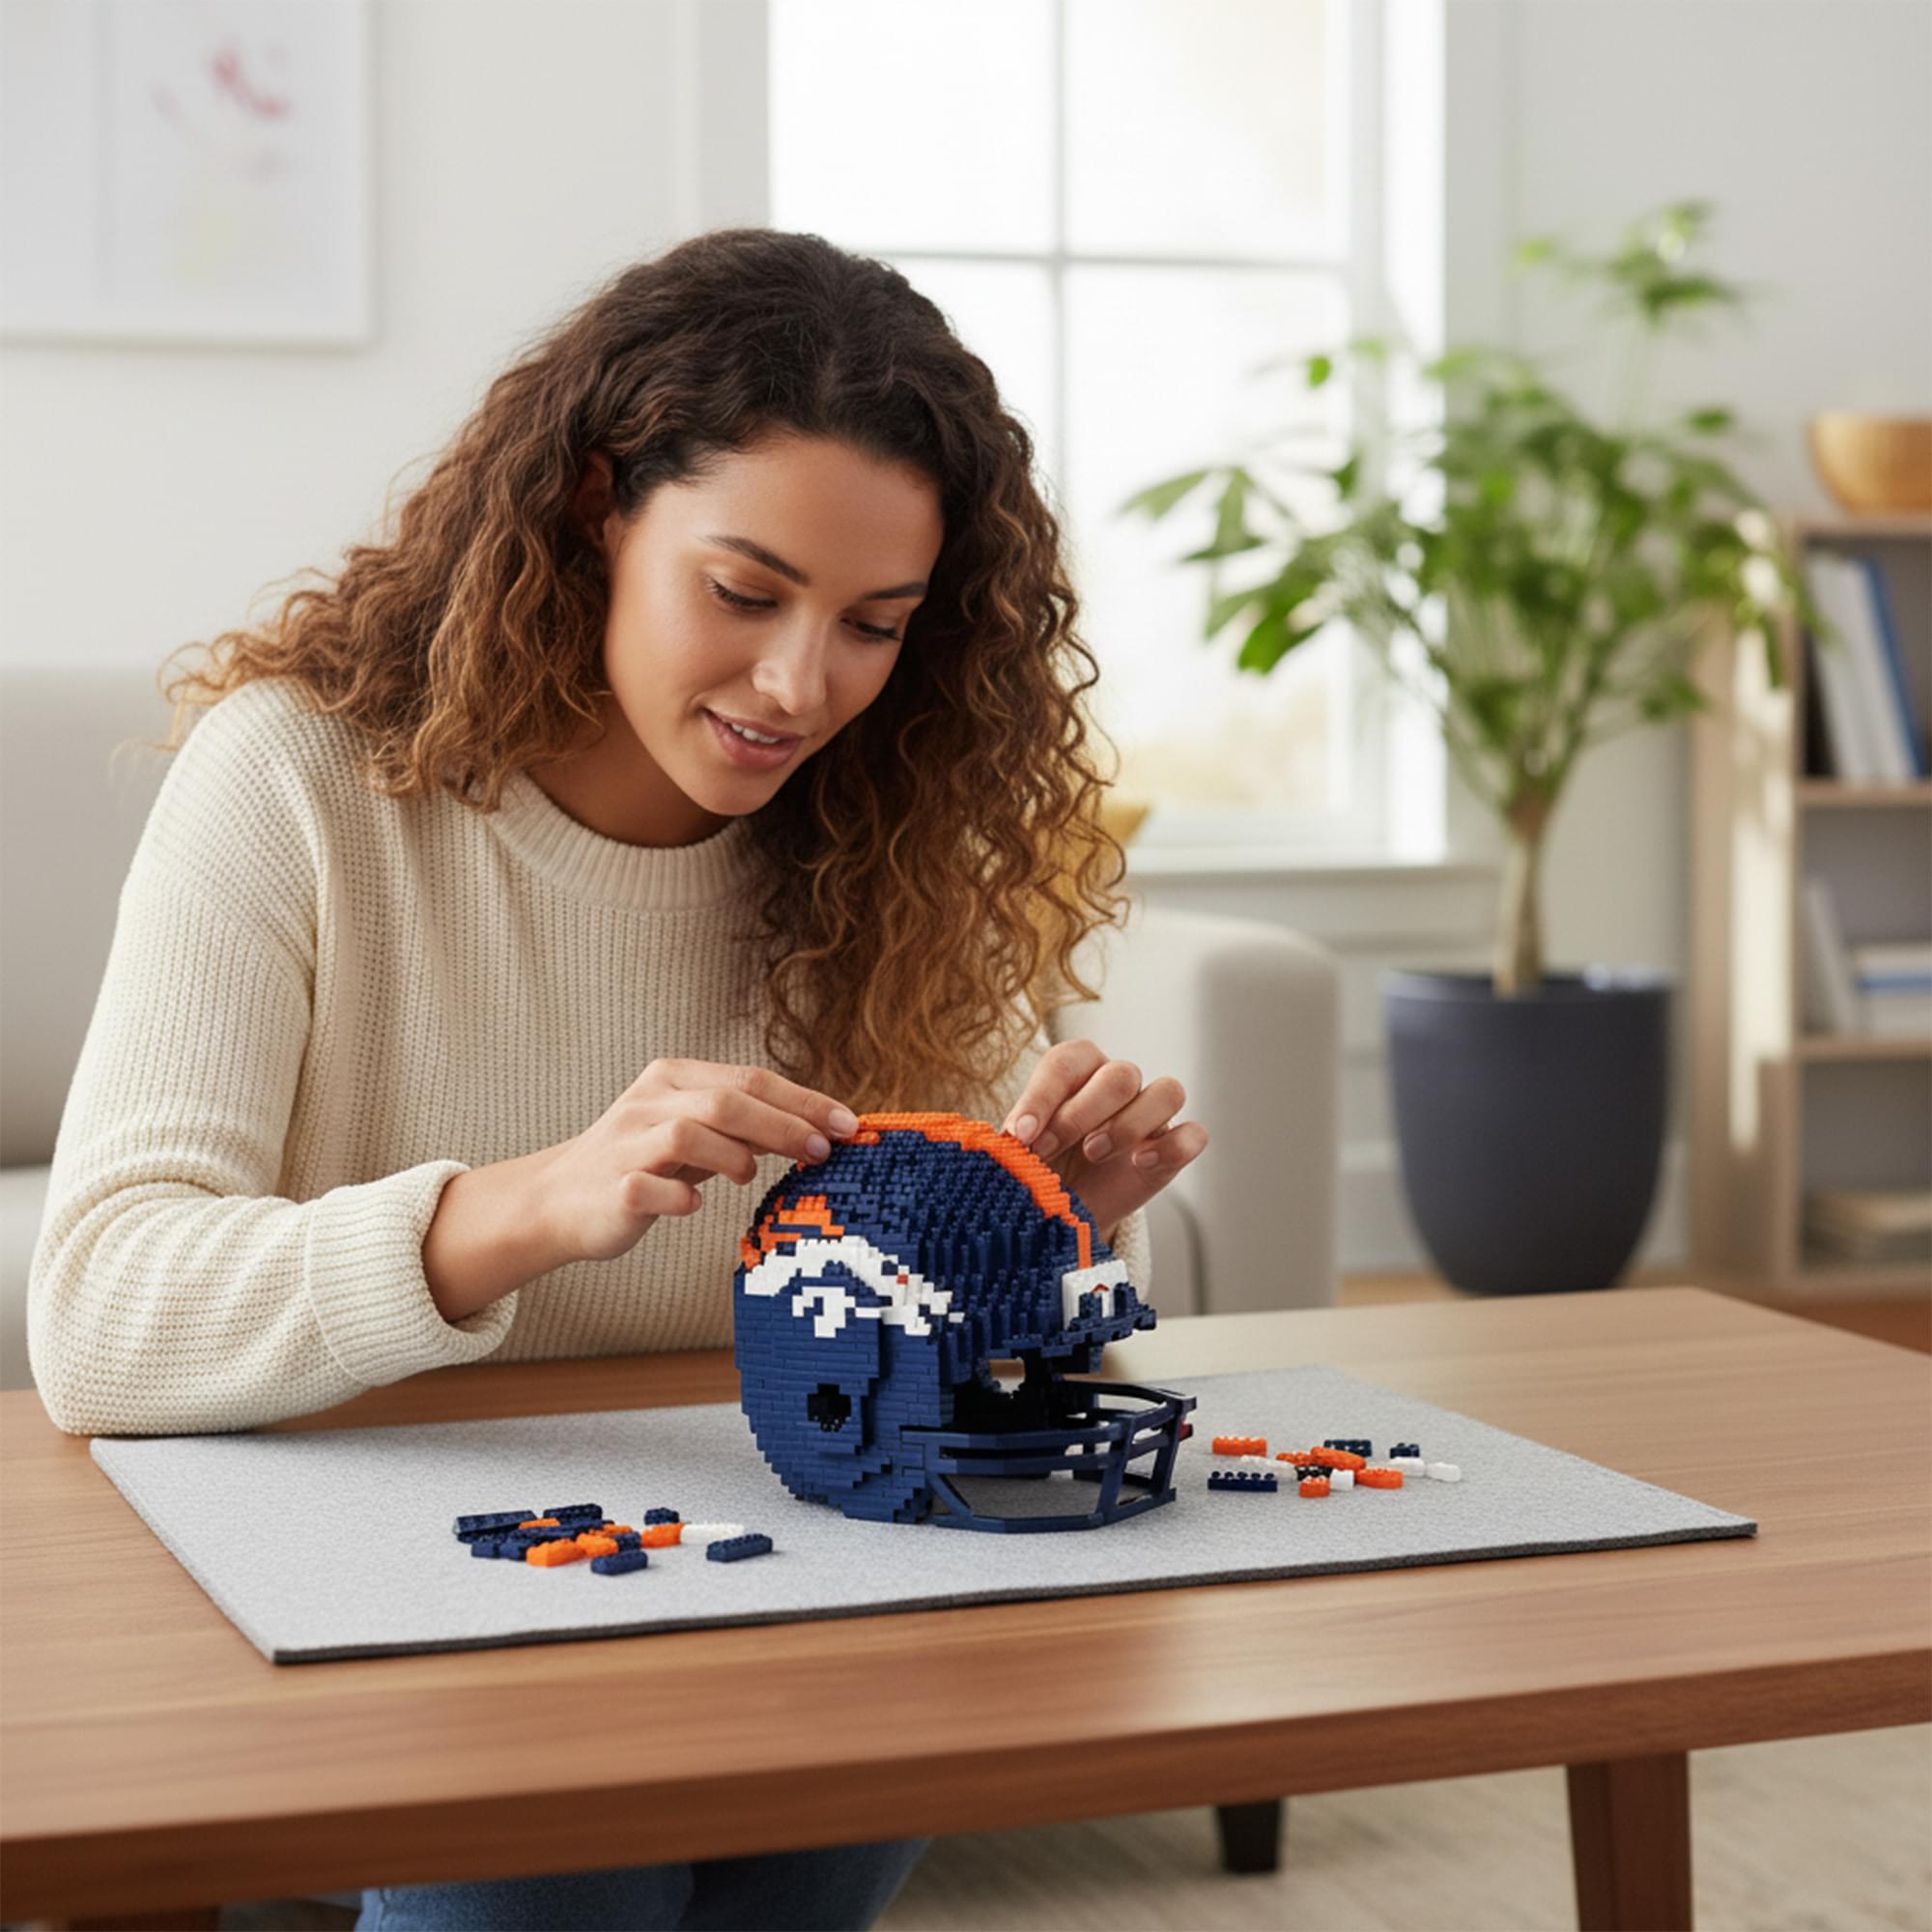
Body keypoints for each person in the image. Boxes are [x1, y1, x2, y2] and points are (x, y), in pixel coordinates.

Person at [27, 226, 1208, 1931]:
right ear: (595, 508)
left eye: (875, 625)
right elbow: (98, 1316)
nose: (803, 686)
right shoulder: (297, 782)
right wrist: (517, 1209)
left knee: (839, 1796)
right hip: (401, 1566)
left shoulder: (896, 846)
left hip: (772, 1553)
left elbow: (960, 1341)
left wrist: (1042, 1229)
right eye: (744, 594)